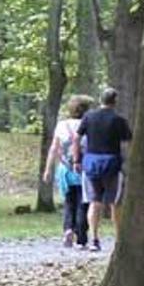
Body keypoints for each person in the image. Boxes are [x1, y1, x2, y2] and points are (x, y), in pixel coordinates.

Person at [72, 87, 132, 252]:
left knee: (94, 202)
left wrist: (76, 159)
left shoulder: (89, 117)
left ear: (101, 100)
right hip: (112, 165)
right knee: (115, 203)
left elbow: (76, 138)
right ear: (115, 101)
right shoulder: (118, 120)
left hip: (91, 164)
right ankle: (119, 240)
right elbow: (127, 142)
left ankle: (94, 239)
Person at [43, 95, 94, 249]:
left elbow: (54, 148)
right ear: (85, 110)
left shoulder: (61, 125)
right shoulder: (89, 125)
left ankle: (68, 230)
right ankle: (81, 237)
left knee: (68, 202)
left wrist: (47, 169)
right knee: (82, 203)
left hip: (64, 170)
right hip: (83, 170)